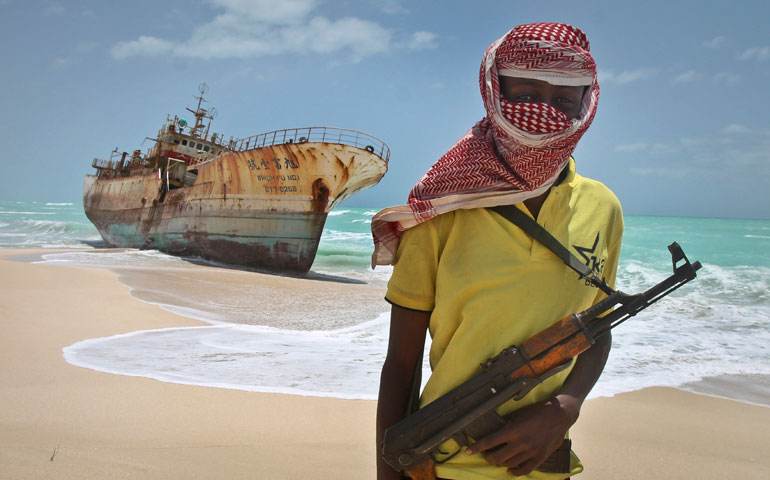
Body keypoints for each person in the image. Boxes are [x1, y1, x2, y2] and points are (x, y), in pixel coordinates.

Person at [372, 23, 623, 480]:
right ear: (494, 92)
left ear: (585, 106)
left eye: (564, 101)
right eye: (527, 94)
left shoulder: (602, 207)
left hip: (546, 463)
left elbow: (596, 324)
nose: (545, 113)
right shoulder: (442, 210)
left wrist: (566, 407)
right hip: (445, 465)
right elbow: (401, 365)